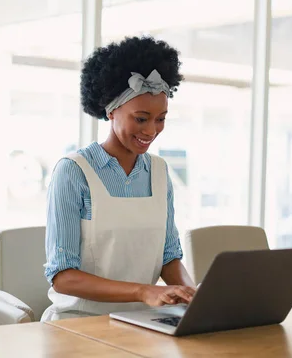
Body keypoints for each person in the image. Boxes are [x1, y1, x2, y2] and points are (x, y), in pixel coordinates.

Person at [41, 36, 196, 321]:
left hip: (143, 321)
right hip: (80, 322)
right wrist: (143, 291)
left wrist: (193, 294)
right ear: (111, 111)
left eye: (160, 118)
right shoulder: (73, 172)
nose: (151, 130)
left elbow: (168, 257)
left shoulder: (160, 173)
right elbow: (62, 277)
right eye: (141, 118)